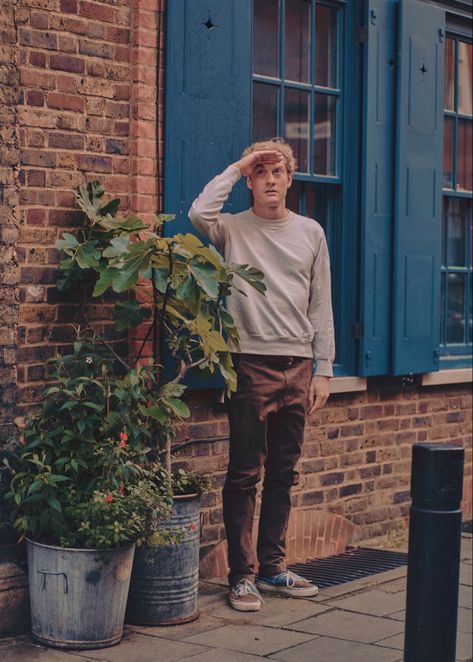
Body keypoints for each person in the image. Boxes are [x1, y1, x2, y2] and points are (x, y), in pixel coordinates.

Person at [189, 138, 335, 612]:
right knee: (244, 473)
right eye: (261, 173)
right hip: (248, 363)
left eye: (278, 172)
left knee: (284, 474)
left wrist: (324, 370)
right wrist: (236, 165)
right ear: (251, 181)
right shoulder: (233, 228)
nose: (270, 180)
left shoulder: (311, 232)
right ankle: (241, 577)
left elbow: (321, 303)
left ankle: (273, 568)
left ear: (290, 179)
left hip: (298, 368)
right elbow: (198, 212)